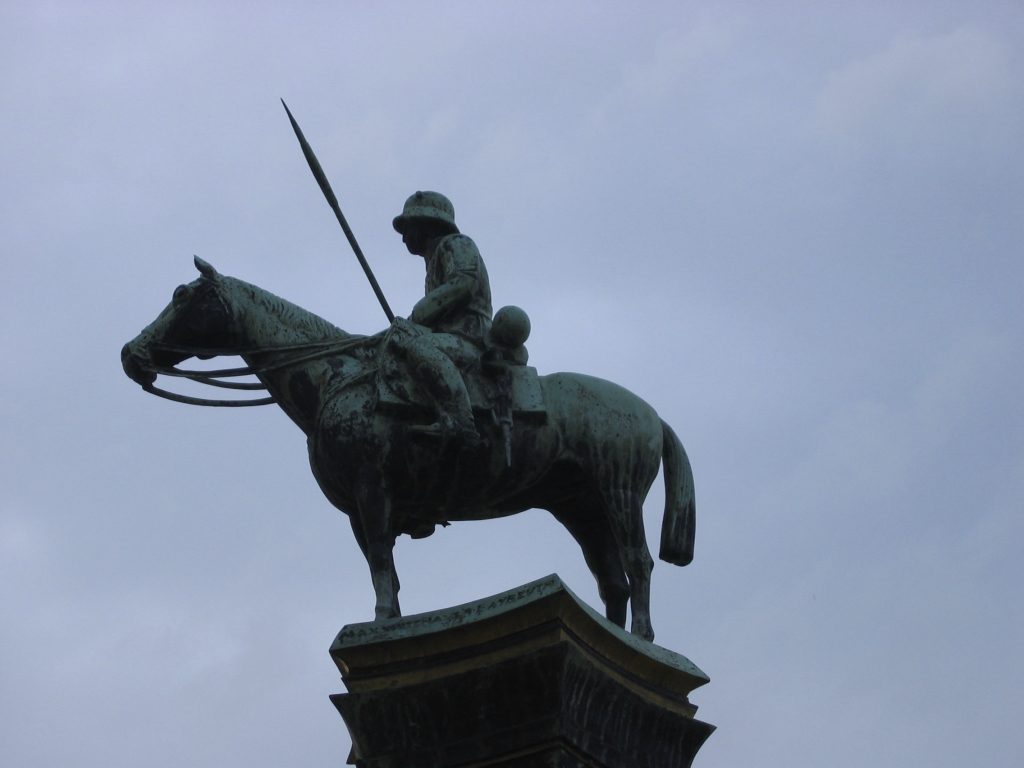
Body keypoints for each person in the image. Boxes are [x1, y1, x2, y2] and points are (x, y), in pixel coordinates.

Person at [390, 191, 492, 445]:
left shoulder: (456, 244)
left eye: (408, 227)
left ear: (427, 224)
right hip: (447, 337)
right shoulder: (433, 261)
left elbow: (464, 282)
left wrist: (417, 317)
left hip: (468, 338)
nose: (403, 238)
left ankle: (459, 422)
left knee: (417, 346)